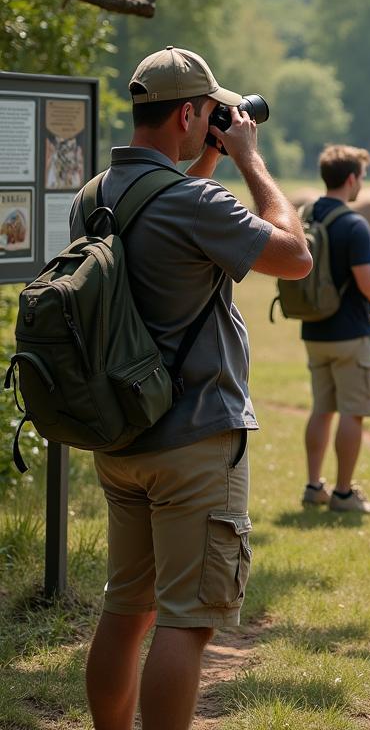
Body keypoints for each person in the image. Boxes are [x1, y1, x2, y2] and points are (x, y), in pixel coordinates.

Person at [70, 46, 311, 730]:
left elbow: (166, 213)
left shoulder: (94, 196)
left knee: (126, 608)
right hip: (196, 438)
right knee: (186, 622)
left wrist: (203, 153)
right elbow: (294, 256)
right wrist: (250, 159)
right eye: (209, 112)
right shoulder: (197, 201)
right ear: (187, 113)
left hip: (120, 435)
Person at [300, 145, 370, 514]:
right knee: (353, 412)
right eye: (362, 178)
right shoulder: (354, 224)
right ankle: (343, 494)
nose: (361, 186)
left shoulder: (307, 214)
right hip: (350, 333)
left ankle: (313, 486)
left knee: (322, 410)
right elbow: (368, 283)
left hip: (313, 331)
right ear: (351, 179)